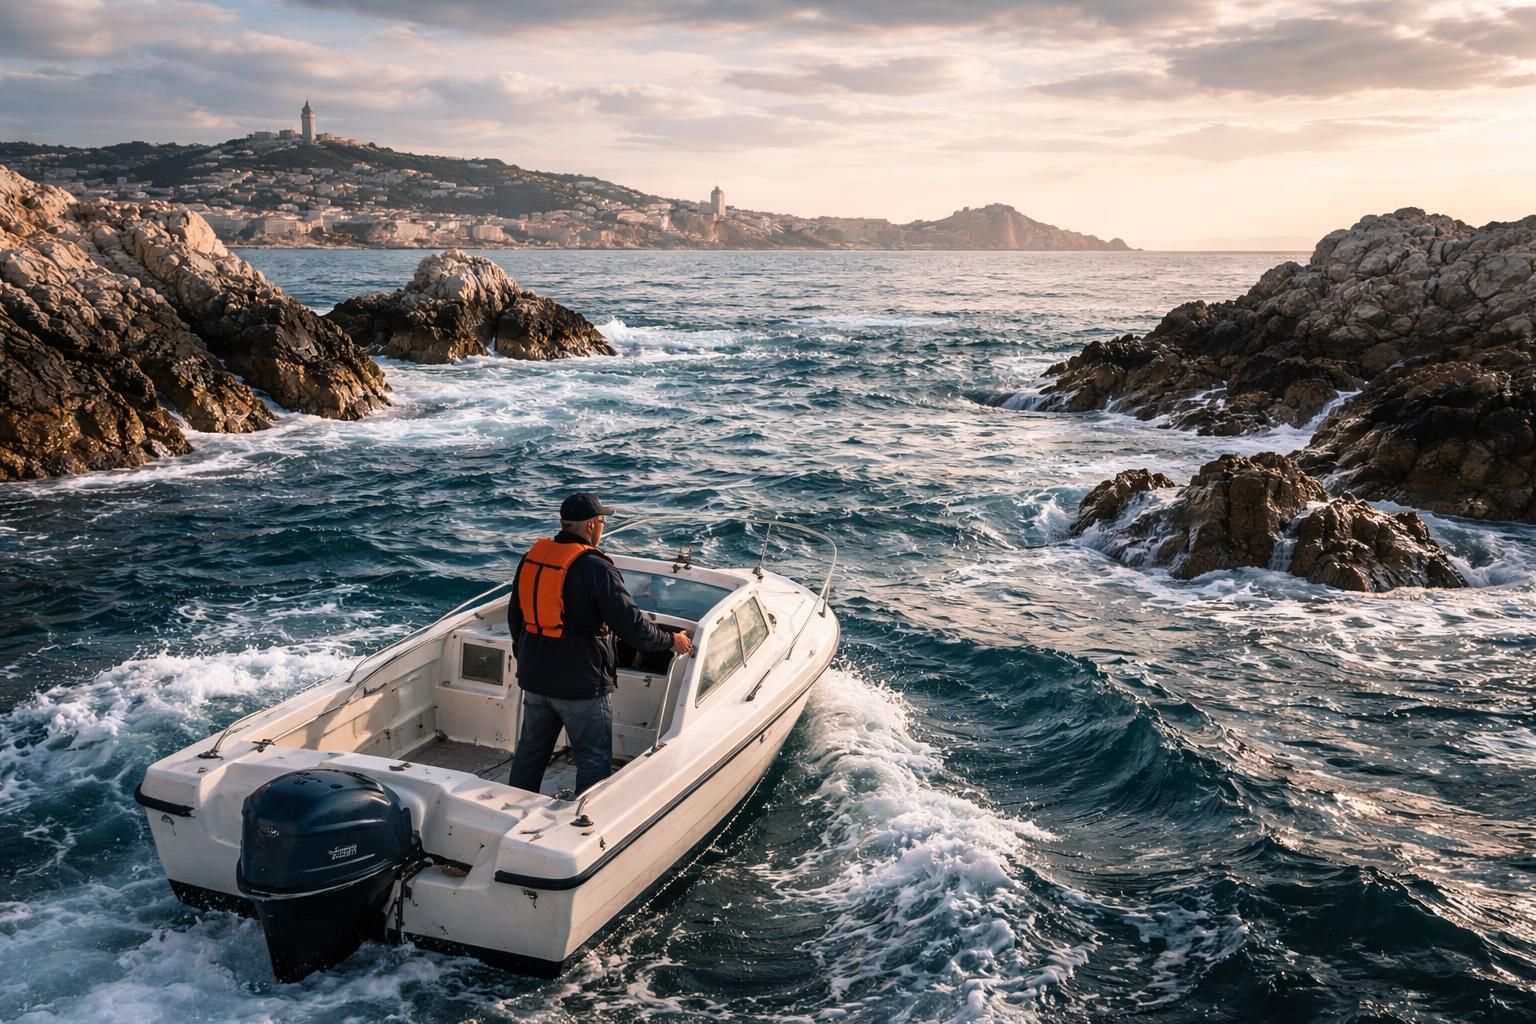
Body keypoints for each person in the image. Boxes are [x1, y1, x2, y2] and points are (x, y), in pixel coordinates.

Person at [506, 492, 692, 796]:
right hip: (581, 687)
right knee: (593, 759)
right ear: (592, 525)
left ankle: (510, 810)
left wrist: (528, 658)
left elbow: (517, 619)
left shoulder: (532, 559)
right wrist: (672, 640)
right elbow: (633, 629)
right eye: (602, 521)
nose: (603, 527)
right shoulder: (596, 568)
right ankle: (586, 824)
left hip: (535, 680)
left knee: (530, 754)